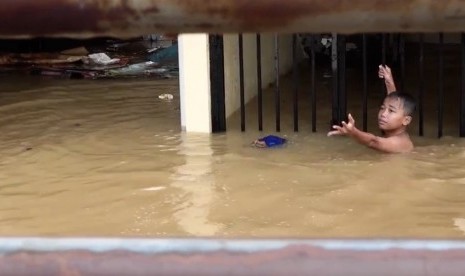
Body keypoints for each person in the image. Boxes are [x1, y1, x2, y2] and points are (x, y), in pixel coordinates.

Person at [327, 65, 416, 154]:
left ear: (406, 120)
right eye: (382, 108)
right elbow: (393, 101)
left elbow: (373, 141)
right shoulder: (394, 133)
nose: (383, 114)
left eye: (391, 111)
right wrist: (389, 81)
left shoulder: (401, 143)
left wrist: (354, 132)